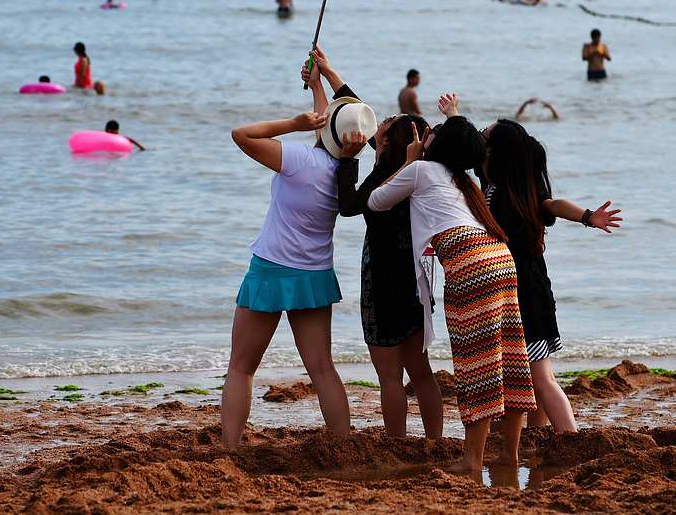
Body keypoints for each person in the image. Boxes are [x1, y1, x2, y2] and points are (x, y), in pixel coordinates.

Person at [368, 93, 536, 475]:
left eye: (430, 136)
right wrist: (453, 115)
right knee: (508, 358)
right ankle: (508, 455)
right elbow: (464, 142)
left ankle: (471, 461)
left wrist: (406, 159)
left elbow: (376, 201)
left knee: (476, 364)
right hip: (498, 259)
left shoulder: (422, 171)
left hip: (468, 264)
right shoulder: (463, 181)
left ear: (436, 146)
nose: (424, 137)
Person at [221, 46, 376, 450]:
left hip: (271, 271)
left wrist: (293, 122)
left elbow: (242, 135)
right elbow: (327, 134)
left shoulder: (298, 159)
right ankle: (343, 445)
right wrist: (318, 83)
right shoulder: (342, 170)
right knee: (323, 369)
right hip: (313, 276)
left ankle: (231, 449)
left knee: (240, 368)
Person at [481, 120, 621, 433]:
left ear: (496, 152)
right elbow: (463, 146)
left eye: (485, 135)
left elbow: (554, 205)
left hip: (527, 295)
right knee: (537, 377)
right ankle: (538, 434)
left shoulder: (520, 194)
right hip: (516, 291)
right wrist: (453, 115)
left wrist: (588, 217)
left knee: (542, 378)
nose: (481, 137)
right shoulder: (493, 183)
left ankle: (570, 437)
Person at [335, 109, 444, 440]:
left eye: (386, 121)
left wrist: (345, 160)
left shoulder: (383, 174)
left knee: (389, 377)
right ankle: (434, 442)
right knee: (422, 372)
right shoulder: (417, 172)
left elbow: (349, 205)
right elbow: (360, 110)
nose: (379, 118)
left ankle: (397, 442)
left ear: (384, 140)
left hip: (382, 283)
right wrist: (327, 73)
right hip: (415, 280)